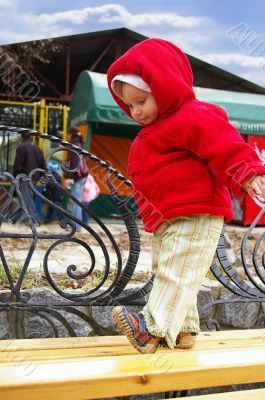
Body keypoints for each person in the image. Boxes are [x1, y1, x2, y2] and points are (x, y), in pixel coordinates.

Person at [107, 38, 265, 354]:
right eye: (130, 106)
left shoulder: (193, 115)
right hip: (168, 217)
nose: (136, 111)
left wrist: (247, 172)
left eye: (142, 101)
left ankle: (151, 328)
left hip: (196, 211)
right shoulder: (152, 131)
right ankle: (181, 329)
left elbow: (224, 146)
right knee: (172, 266)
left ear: (164, 86)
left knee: (177, 269)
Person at [9, 131, 46, 225]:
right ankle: (14, 218)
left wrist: (15, 178)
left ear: (22, 136)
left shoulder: (22, 147)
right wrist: (42, 178)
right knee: (24, 198)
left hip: (25, 176)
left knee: (26, 198)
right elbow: (43, 164)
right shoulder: (37, 148)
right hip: (35, 177)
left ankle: (35, 220)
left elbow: (18, 164)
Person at [67, 126, 89, 231]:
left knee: (76, 201)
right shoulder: (83, 145)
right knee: (78, 200)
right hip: (84, 175)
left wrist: (69, 176)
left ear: (71, 134)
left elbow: (73, 162)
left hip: (77, 176)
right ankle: (78, 225)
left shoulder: (73, 145)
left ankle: (77, 227)